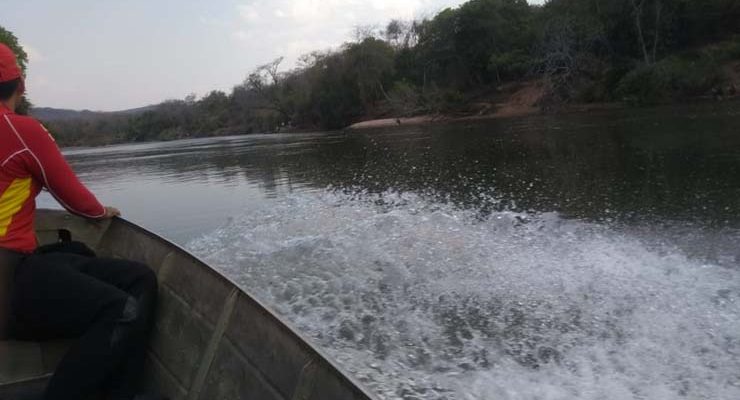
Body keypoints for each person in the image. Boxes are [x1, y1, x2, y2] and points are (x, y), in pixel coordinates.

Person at [0, 43, 161, 400]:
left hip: (20, 266)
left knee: (135, 276)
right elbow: (76, 200)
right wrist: (100, 212)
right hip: (8, 280)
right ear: (20, 85)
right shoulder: (20, 130)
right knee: (123, 307)